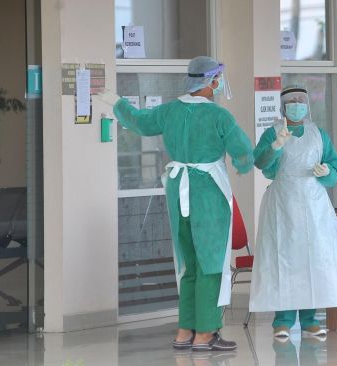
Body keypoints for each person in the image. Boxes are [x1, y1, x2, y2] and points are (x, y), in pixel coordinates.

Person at [97, 56, 254, 352]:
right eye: (218, 79)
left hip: (177, 191)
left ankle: (185, 331)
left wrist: (117, 102)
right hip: (208, 194)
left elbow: (139, 122)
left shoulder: (169, 110)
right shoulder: (220, 117)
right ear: (212, 81)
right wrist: (247, 164)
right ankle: (205, 333)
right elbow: (244, 153)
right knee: (210, 264)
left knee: (188, 263)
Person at [249, 86, 337, 340]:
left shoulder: (318, 134)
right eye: (292, 101)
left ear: (308, 105)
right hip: (283, 201)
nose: (297, 104)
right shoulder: (273, 132)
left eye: (301, 101)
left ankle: (310, 319)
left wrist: (326, 172)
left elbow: (335, 168)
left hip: (314, 203)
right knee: (284, 258)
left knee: (313, 258)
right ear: (283, 106)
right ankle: (283, 320)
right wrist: (276, 146)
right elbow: (260, 162)